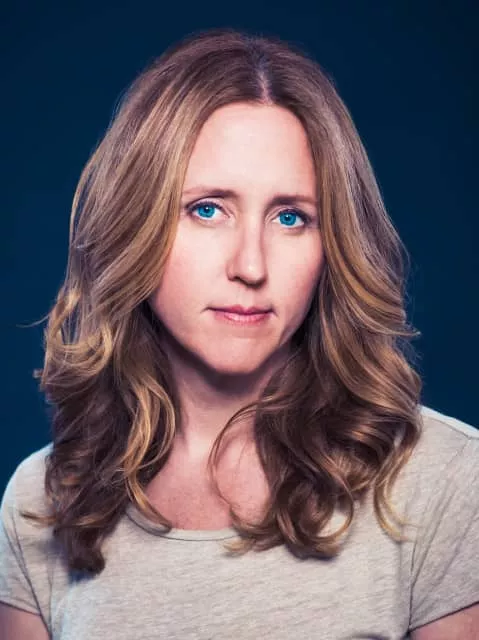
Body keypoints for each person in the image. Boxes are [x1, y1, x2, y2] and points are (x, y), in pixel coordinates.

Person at [0, 27, 478, 640]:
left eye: (290, 217)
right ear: (136, 224)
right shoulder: (42, 503)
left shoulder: (446, 482)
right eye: (207, 209)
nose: (250, 266)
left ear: (331, 246)